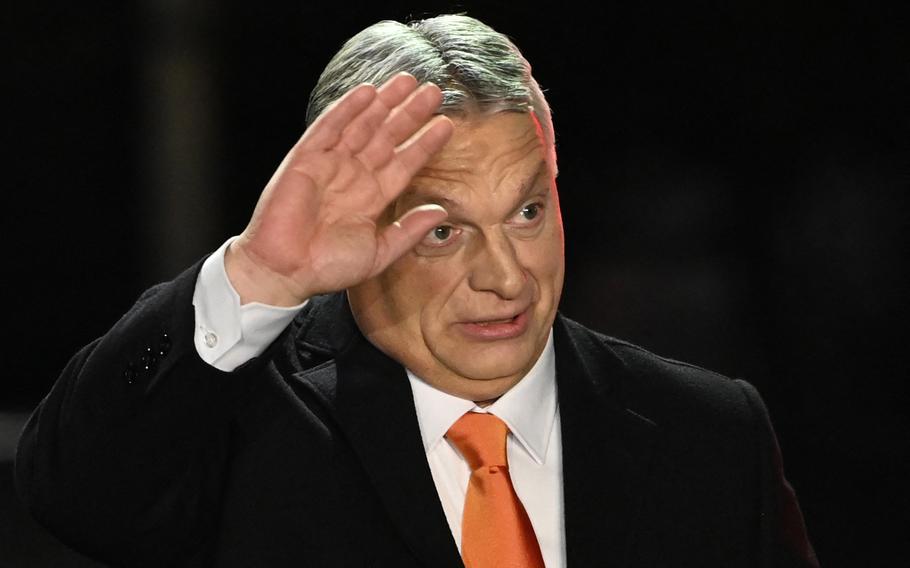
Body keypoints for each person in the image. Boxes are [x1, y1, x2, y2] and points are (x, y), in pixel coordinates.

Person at [16, 14, 818, 568]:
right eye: (443, 230)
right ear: (352, 227)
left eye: (528, 211)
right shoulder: (240, 433)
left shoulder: (711, 436)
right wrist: (259, 275)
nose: (506, 277)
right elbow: (76, 495)